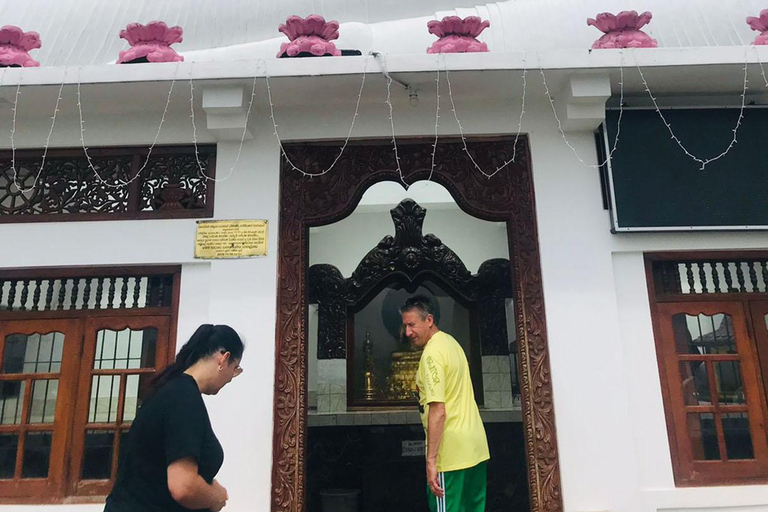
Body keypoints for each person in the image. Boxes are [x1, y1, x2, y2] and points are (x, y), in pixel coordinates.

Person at [104, 324, 244, 512]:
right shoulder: (183, 396)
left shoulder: (171, 389)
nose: (231, 378)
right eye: (235, 368)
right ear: (223, 358)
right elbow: (183, 486)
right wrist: (215, 496)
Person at [401, 296, 490, 512]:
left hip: (450, 455)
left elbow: (438, 410)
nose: (407, 332)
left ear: (429, 319)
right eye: (404, 325)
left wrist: (431, 461)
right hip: (476, 449)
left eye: (412, 325)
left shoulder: (432, 354)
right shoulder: (451, 343)